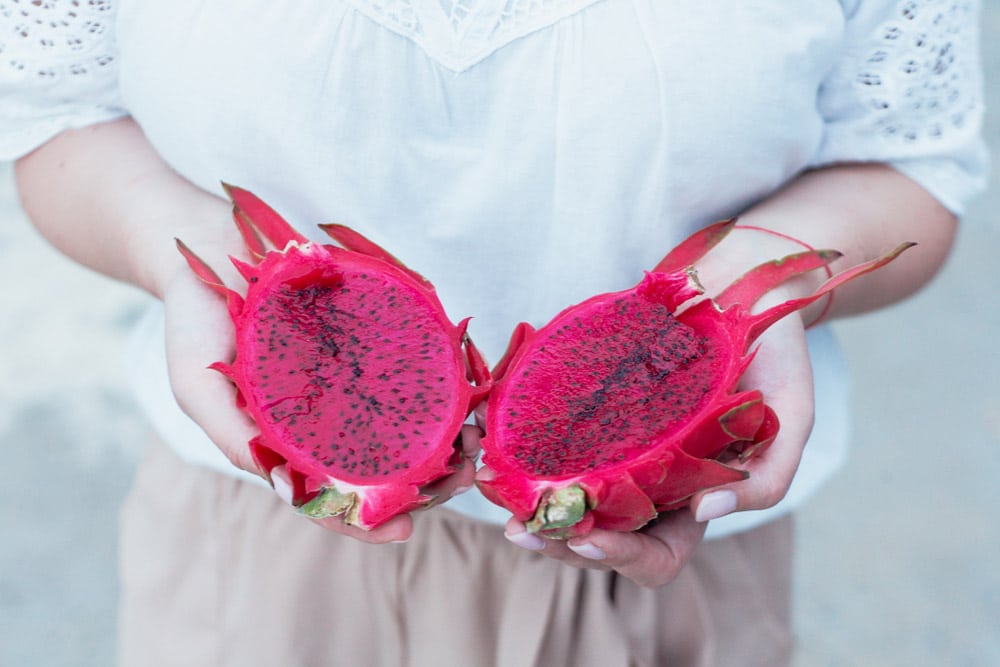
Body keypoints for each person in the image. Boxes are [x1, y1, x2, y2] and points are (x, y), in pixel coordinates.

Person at [2, 1, 988, 665]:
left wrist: (768, 283)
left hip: (668, 573)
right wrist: (185, 259)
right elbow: (58, 113)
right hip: (252, 544)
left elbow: (911, 166)